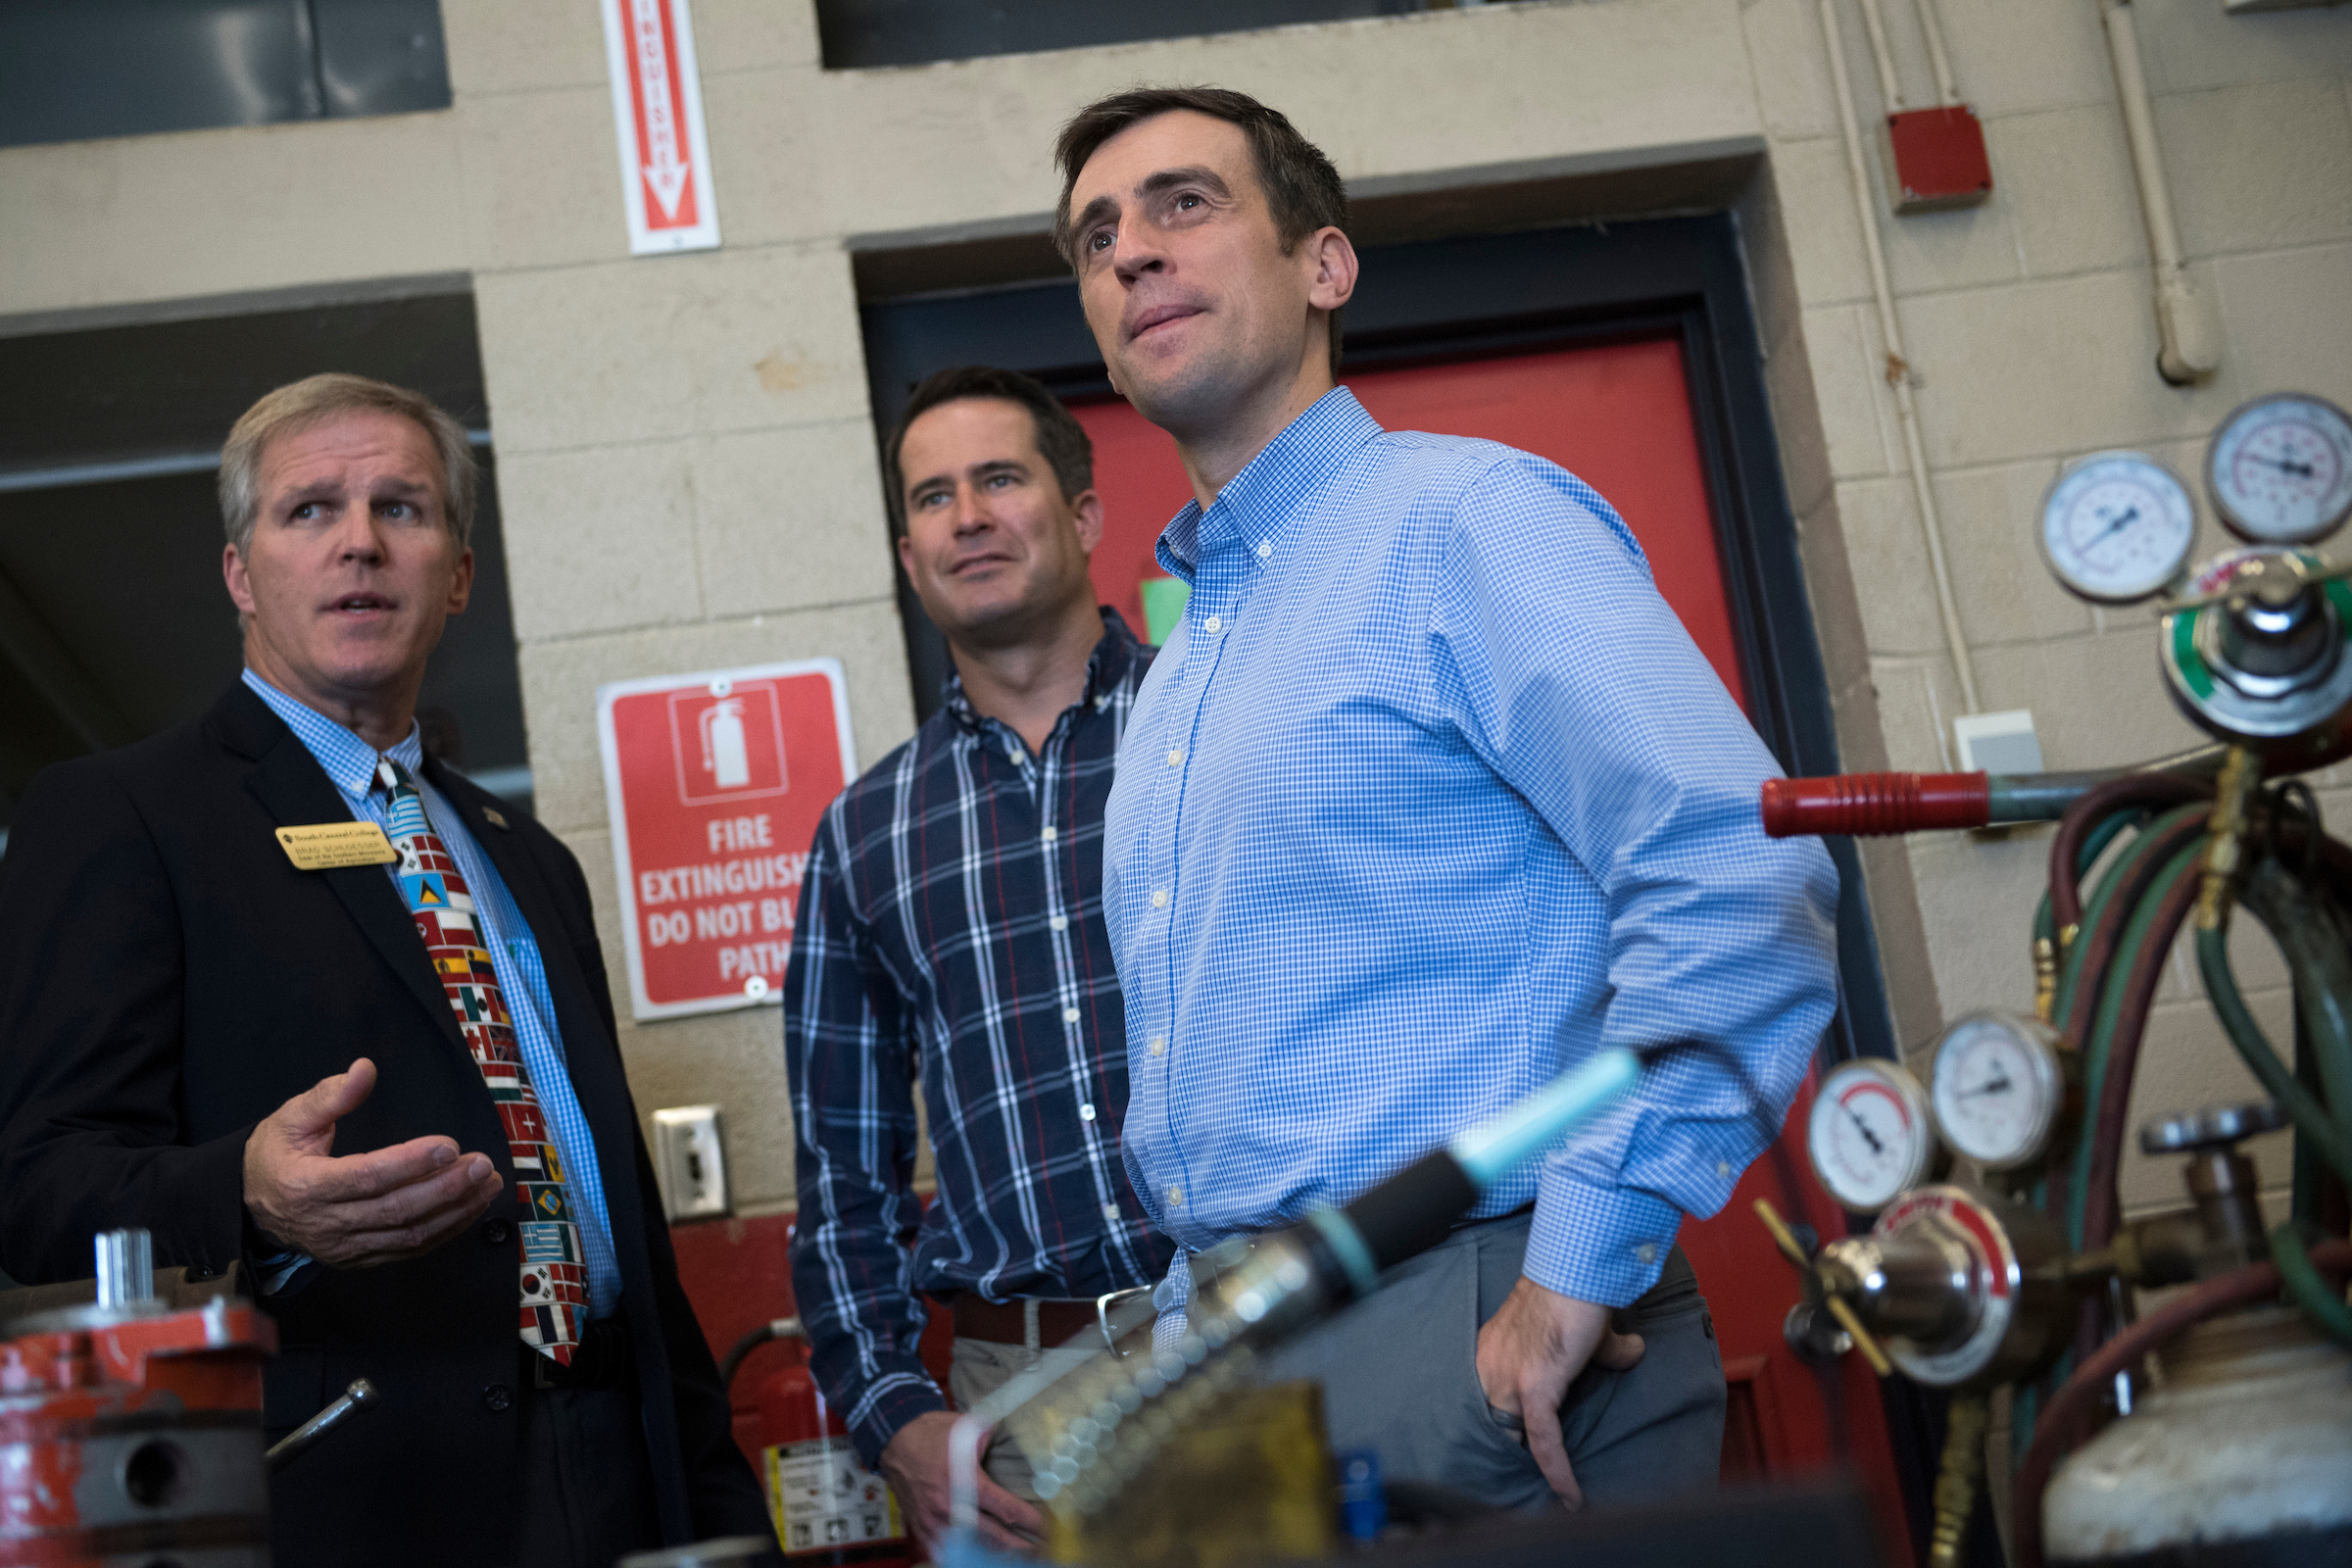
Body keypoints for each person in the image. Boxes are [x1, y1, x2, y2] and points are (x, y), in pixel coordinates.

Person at [1053, 87, 1842, 1512]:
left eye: (1184, 204)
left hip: (1466, 1327)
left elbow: (1740, 871)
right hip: (1231, 1354)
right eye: (1095, 236)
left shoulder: (1464, 521)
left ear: (1324, 266)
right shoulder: (1179, 668)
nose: (1128, 255)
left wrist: (1575, 1268)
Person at [0, 374, 773, 1568]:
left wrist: (715, 1501)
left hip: (622, 1458)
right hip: (354, 1490)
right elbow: (36, 1184)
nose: (359, 539)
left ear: (456, 574)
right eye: (309, 510)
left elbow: (616, 1200)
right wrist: (246, 1194)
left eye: (401, 508)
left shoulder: (533, 859)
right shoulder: (123, 818)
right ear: (239, 574)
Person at [784, 366, 1175, 1555]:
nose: (968, 516)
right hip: (1026, 1395)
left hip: (1273, 1328)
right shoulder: (866, 834)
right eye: (934, 497)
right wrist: (896, 1414)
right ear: (911, 558)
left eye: (1000, 478)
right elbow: (841, 1178)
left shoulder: (1211, 727)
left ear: (1084, 514)